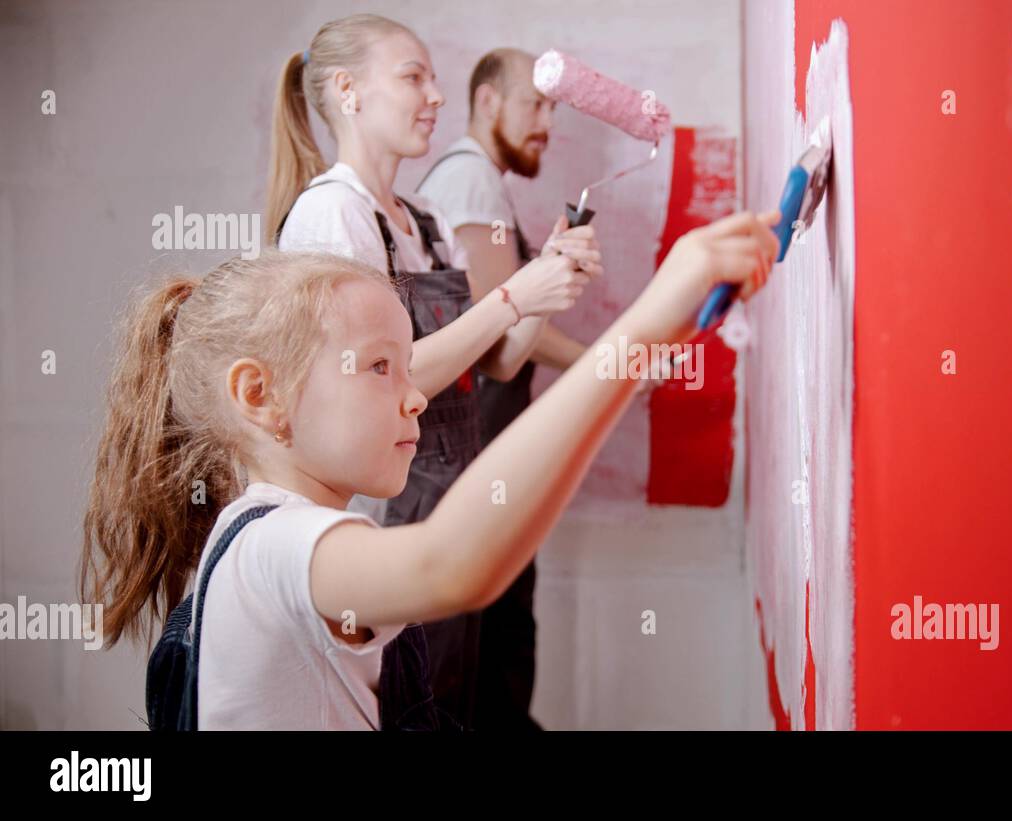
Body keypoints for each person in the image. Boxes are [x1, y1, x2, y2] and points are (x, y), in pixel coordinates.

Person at [79, 206, 780, 729]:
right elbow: (453, 564)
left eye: (408, 365)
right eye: (380, 367)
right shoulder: (271, 547)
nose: (415, 395)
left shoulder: (280, 542)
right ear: (259, 396)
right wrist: (643, 325)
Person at [265, 14, 599, 727]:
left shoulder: (424, 222)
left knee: (458, 707)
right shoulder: (332, 216)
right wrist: (515, 294)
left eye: (433, 79)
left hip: (452, 507)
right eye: (413, 76)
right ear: (346, 90)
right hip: (389, 520)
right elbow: (383, 380)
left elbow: (502, 358)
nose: (436, 95)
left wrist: (550, 275)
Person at [417, 47, 589, 729]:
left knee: (499, 611)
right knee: (487, 616)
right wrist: (602, 363)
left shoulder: (478, 185)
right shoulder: (471, 183)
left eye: (553, 108)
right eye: (535, 104)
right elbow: (498, 326)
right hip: (476, 445)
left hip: (483, 445)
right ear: (488, 102)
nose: (547, 122)